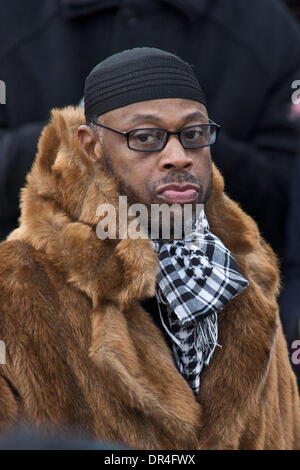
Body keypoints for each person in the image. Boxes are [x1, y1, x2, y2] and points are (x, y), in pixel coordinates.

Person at [0, 48, 299, 450]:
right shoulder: (14, 283)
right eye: (145, 138)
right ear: (91, 146)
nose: (177, 157)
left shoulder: (245, 274)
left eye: (193, 135)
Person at [1, 0, 300, 261]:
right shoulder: (12, 14)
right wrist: (62, 148)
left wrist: (186, 142)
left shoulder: (268, 28)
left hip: (212, 301)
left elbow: (285, 200)